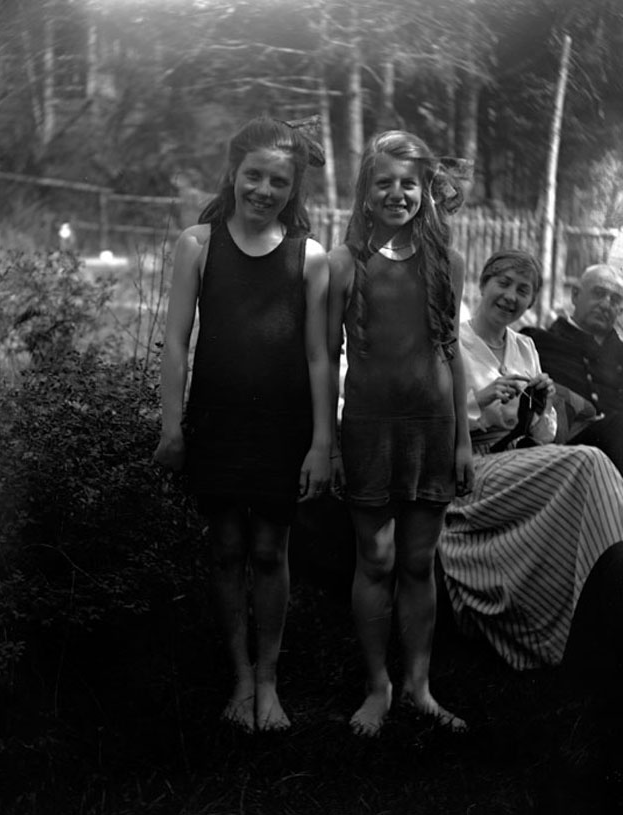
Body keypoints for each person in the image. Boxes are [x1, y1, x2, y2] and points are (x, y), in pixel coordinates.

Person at [154, 116, 331, 733]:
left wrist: (321, 443)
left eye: (277, 181)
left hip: (282, 430)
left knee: (269, 549)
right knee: (226, 548)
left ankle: (268, 680)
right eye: (253, 175)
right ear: (233, 173)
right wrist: (171, 425)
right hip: (217, 422)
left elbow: (318, 355)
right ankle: (236, 677)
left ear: (293, 188)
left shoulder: (306, 257)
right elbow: (176, 342)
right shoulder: (197, 244)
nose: (263, 189)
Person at [328, 130, 474, 736]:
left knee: (419, 562)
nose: (397, 193)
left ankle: (419, 687)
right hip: (368, 428)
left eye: (408, 184)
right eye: (384, 182)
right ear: (366, 191)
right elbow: (324, 354)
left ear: (425, 192)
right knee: (377, 557)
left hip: (433, 429)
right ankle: (377, 687)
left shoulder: (449, 261)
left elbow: (451, 350)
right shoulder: (344, 264)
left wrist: (464, 439)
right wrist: (331, 441)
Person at [438, 249, 623, 679]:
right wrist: (481, 401)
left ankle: (597, 614)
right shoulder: (453, 343)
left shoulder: (525, 346)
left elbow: (543, 434)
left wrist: (540, 406)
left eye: (523, 290)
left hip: (522, 464)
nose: (510, 296)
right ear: (482, 285)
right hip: (471, 473)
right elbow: (434, 422)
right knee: (588, 463)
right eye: (503, 284)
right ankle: (607, 603)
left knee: (584, 469)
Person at [521, 263, 623, 472]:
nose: (606, 304)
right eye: (599, 293)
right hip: (565, 453)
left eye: (615, 300)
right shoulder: (539, 342)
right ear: (575, 295)